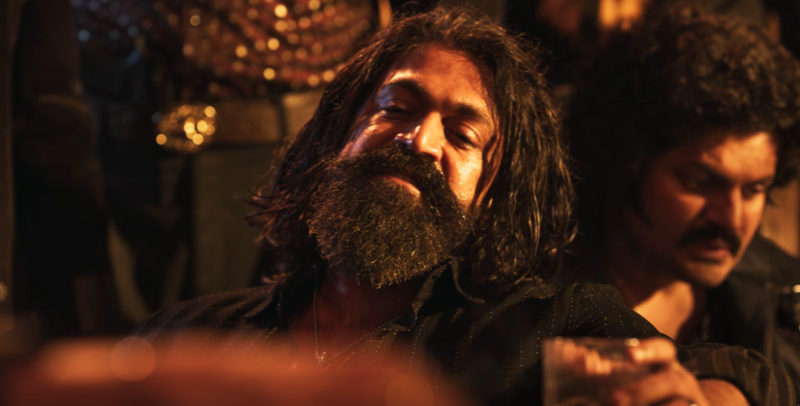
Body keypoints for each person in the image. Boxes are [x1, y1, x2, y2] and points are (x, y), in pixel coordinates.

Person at [126, 7, 794, 406]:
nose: (419, 140)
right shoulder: (189, 335)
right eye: (397, 108)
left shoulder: (536, 338)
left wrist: (710, 395)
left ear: (493, 191)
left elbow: (726, 373)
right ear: (338, 136)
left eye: (463, 133)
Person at [565, 4, 800, 381]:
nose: (731, 219)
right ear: (627, 159)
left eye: (754, 189)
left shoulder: (787, 301)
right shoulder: (533, 302)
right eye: (700, 183)